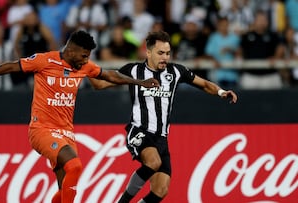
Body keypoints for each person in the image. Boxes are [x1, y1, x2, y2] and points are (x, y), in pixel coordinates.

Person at [0, 30, 159, 203]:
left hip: (66, 133)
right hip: (41, 130)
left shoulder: (83, 67)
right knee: (75, 165)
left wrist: (140, 83)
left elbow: (110, 75)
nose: (86, 60)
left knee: (65, 192)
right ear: (71, 51)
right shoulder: (45, 60)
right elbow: (11, 65)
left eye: (88, 56)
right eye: (84, 56)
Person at [89, 30, 238, 203]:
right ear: (148, 52)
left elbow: (204, 83)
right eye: (160, 53)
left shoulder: (176, 72)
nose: (165, 57)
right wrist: (86, 67)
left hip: (161, 138)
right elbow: (99, 84)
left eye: (168, 53)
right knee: (153, 162)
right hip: (138, 130)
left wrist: (221, 92)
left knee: (161, 190)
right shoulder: (133, 70)